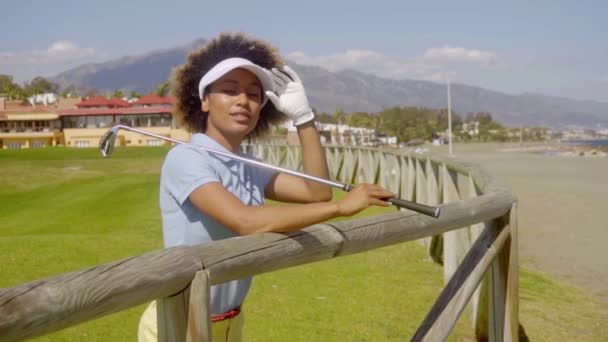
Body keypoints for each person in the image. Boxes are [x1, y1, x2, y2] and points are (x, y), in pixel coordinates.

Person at [138, 33, 395, 342]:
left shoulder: (250, 165)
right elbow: (245, 221)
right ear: (204, 100)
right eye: (229, 91)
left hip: (230, 322)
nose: (242, 101)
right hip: (179, 325)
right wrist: (341, 208)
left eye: (253, 94)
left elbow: (317, 192)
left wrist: (304, 118)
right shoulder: (186, 158)